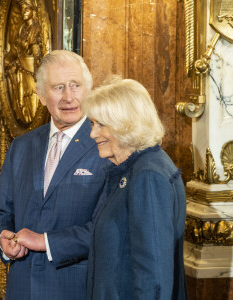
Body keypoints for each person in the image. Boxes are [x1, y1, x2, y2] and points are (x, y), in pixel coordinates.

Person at [0, 50, 107, 300]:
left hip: (75, 289)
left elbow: (109, 229)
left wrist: (46, 242)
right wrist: (3, 239)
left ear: (88, 89)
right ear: (41, 95)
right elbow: (1, 212)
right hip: (21, 288)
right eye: (58, 87)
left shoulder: (106, 146)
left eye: (75, 85)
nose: (68, 97)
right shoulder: (21, 146)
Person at [82, 77, 188, 299]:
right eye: (93, 124)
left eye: (101, 124)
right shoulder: (131, 169)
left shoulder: (148, 175)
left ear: (125, 123)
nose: (93, 133)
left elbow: (154, 274)